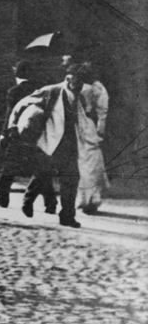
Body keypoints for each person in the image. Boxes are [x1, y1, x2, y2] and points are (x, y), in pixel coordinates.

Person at [9, 63, 91, 228]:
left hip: (70, 144)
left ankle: (67, 216)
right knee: (43, 173)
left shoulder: (79, 97)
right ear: (68, 79)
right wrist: (12, 125)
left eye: (82, 82)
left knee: (71, 178)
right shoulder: (52, 91)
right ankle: (28, 199)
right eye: (77, 81)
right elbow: (23, 103)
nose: (80, 85)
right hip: (51, 141)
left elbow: (82, 119)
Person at [0, 60, 55, 211]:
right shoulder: (40, 89)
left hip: (18, 135)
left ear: (16, 73)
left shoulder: (14, 91)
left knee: (9, 167)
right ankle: (50, 203)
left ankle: (2, 199)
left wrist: (3, 134)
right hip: (37, 134)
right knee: (40, 169)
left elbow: (10, 115)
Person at [67, 59, 109, 214]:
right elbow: (102, 112)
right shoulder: (97, 88)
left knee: (82, 164)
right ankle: (92, 199)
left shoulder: (73, 86)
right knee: (91, 164)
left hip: (76, 126)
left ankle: (83, 199)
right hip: (89, 127)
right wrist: (100, 132)